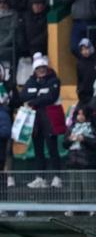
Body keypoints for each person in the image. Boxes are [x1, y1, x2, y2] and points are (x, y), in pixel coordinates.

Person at [22, 54, 63, 189]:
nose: (41, 70)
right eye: (38, 68)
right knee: (38, 149)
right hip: (35, 121)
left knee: (52, 149)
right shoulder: (30, 81)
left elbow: (51, 97)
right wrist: (39, 95)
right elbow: (24, 95)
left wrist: (34, 99)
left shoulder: (54, 80)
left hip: (49, 119)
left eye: (43, 67)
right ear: (35, 70)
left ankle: (57, 177)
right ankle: (40, 177)